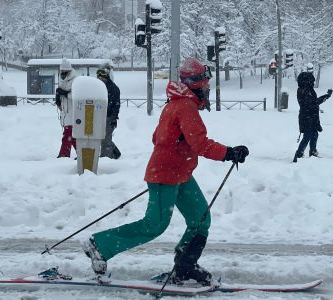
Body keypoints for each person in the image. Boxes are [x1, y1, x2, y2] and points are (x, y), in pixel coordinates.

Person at [82, 57, 249, 286]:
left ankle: (184, 266)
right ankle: (99, 245)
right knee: (154, 225)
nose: (208, 87)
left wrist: (177, 146)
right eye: (206, 83)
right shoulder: (184, 106)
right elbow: (200, 144)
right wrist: (229, 152)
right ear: (196, 83)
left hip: (180, 174)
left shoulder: (176, 104)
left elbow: (158, 138)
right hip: (165, 175)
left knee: (200, 218)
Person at [293, 72, 332, 163]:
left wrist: (325, 97)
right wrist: (325, 97)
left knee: (314, 134)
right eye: (312, 81)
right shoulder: (302, 90)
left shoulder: (308, 90)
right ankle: (299, 154)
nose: (313, 83)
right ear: (307, 81)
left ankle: (313, 152)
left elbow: (313, 102)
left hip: (311, 116)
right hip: (306, 117)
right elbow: (312, 103)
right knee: (308, 135)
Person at [96, 68, 121, 159]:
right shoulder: (97, 87)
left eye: (102, 78)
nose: (100, 80)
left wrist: (113, 118)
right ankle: (115, 152)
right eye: (98, 78)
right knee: (101, 137)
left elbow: (116, 105)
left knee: (105, 138)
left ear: (106, 77)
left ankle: (105, 158)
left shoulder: (113, 88)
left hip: (109, 117)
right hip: (99, 116)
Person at [56, 59, 78, 158]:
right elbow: (60, 92)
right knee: (73, 137)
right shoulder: (62, 81)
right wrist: (58, 99)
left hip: (73, 113)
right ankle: (82, 153)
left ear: (69, 71)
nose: (62, 74)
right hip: (65, 113)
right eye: (61, 72)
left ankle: (64, 155)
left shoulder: (75, 80)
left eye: (64, 72)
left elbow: (76, 96)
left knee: (67, 135)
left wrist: (64, 93)